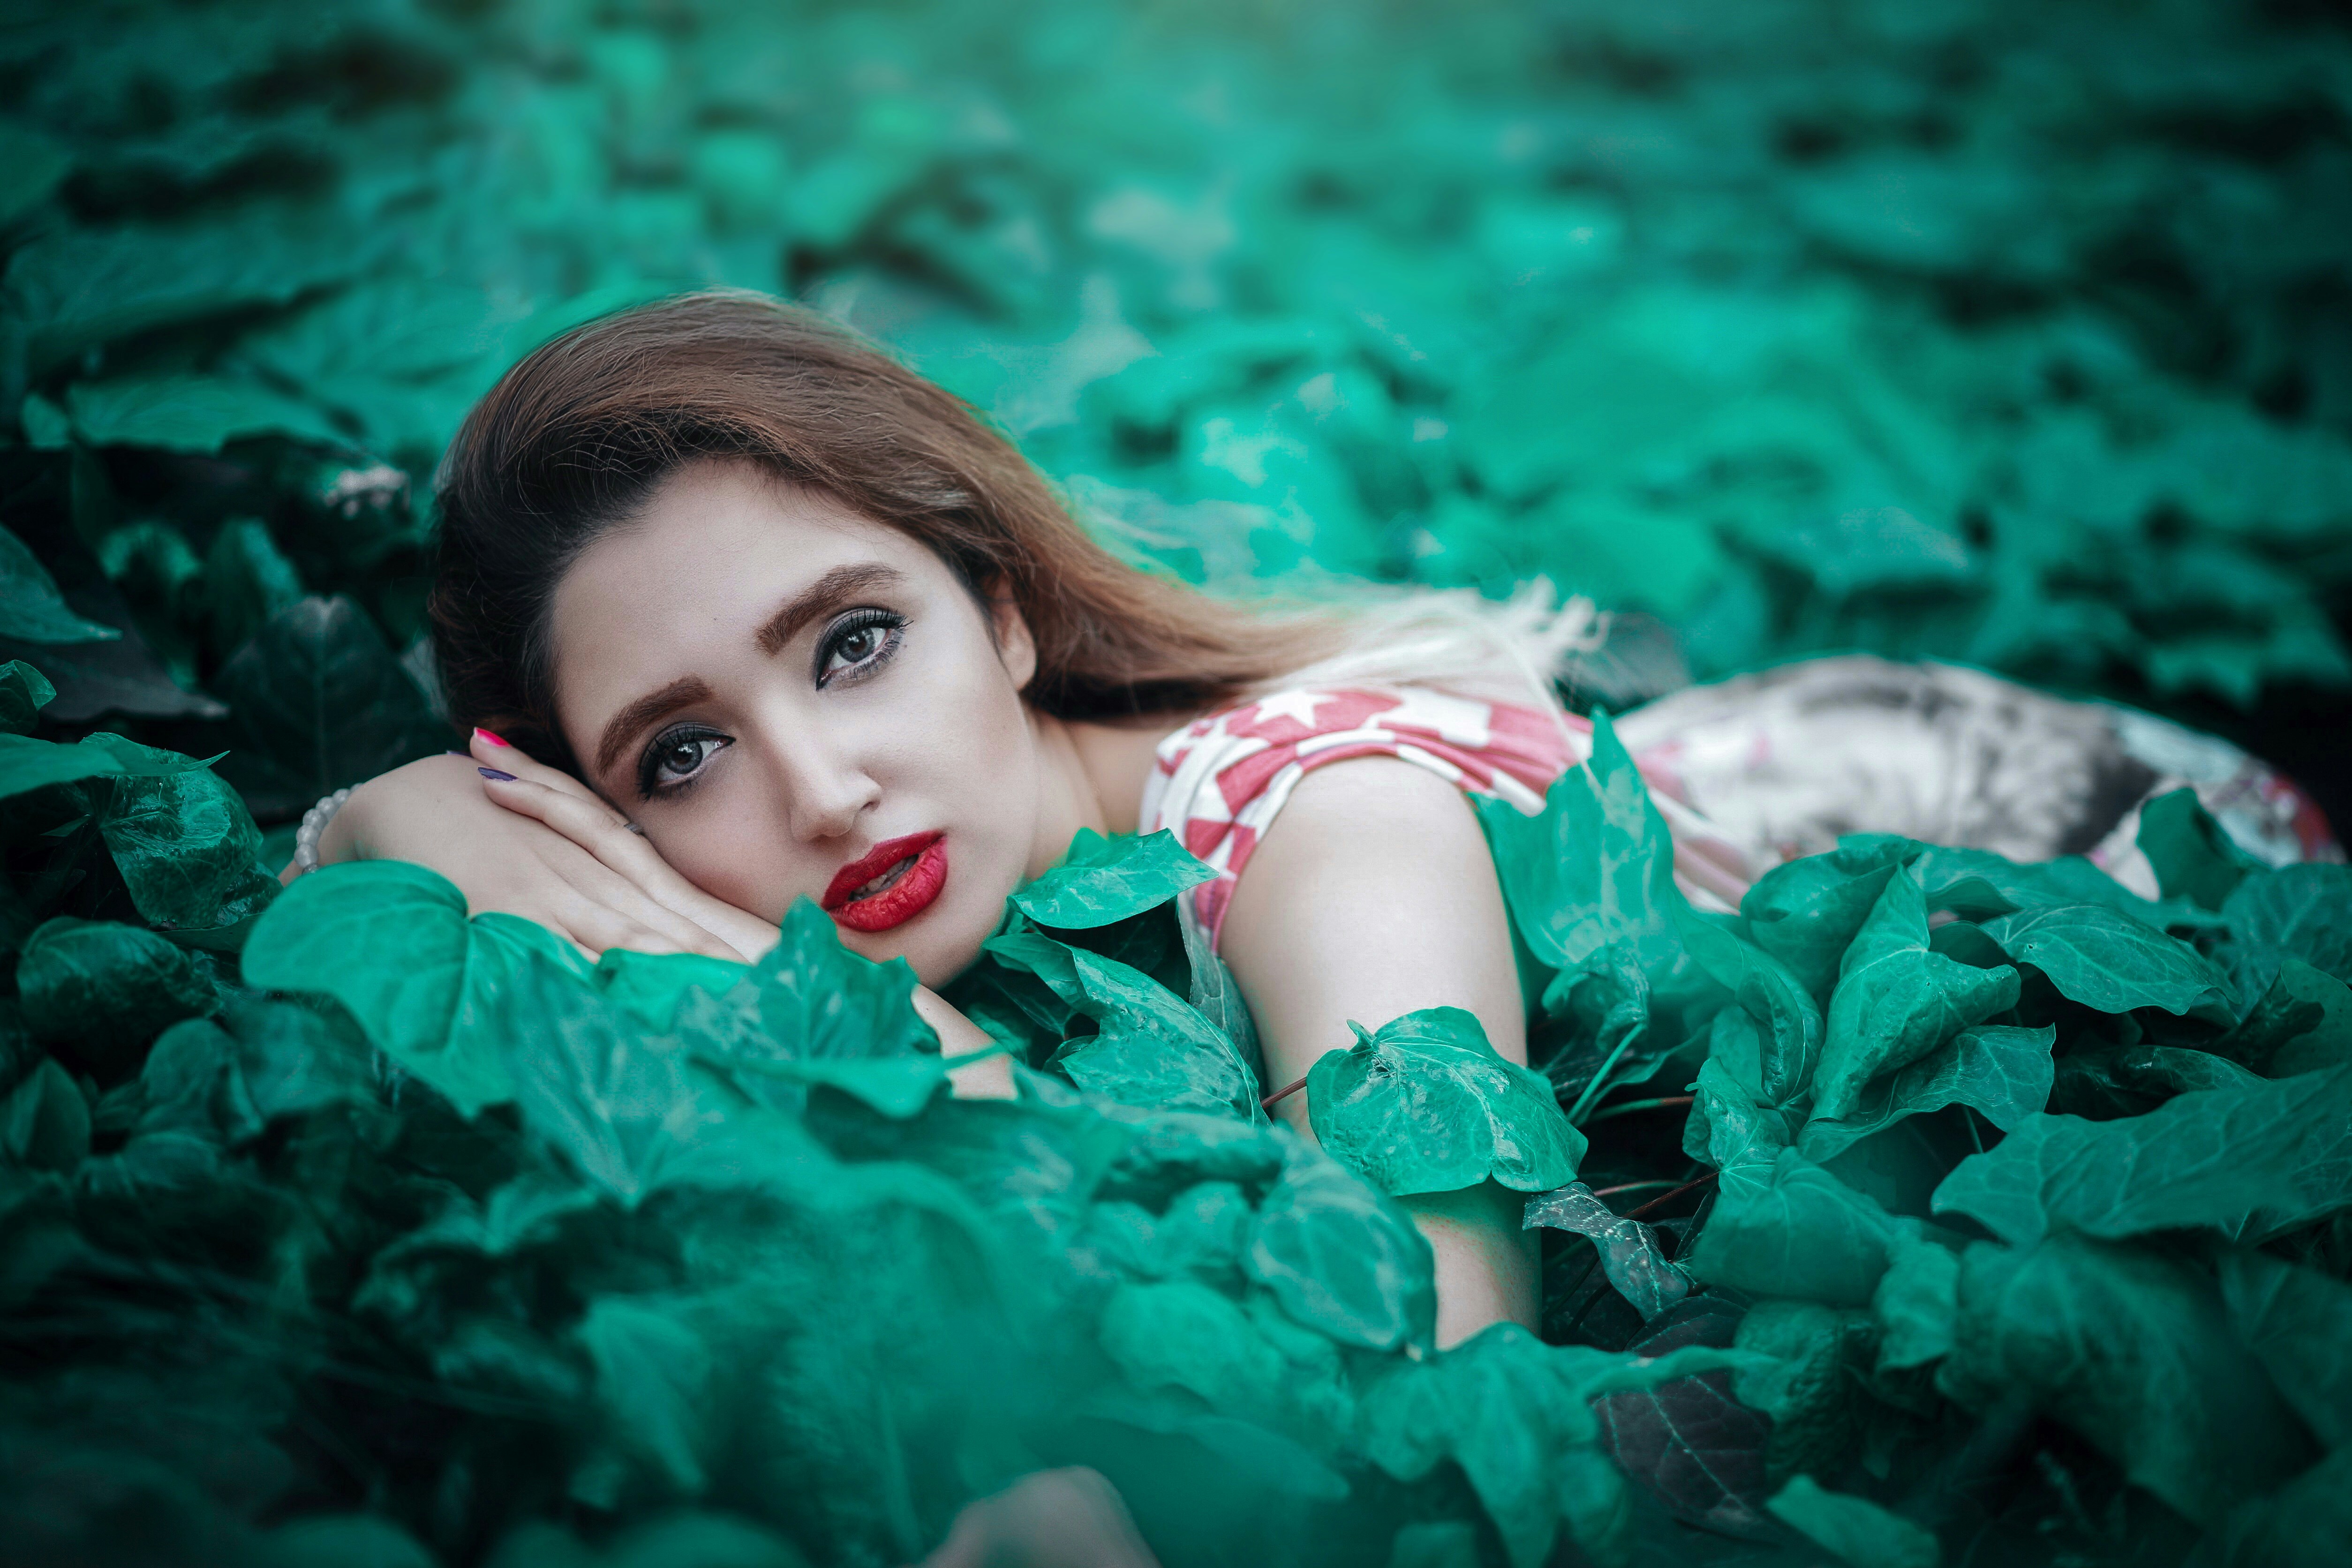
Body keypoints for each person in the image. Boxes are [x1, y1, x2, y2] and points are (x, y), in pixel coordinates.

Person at [295, 290, 2338, 1355]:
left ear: (1000, 606)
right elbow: (388, 823)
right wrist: (426, 819)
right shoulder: (1010, 827)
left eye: (850, 644)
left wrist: (917, 1056)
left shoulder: (1322, 828)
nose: (820, 790)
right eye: (678, 756)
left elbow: (1441, 1335)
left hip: (2100, 854)